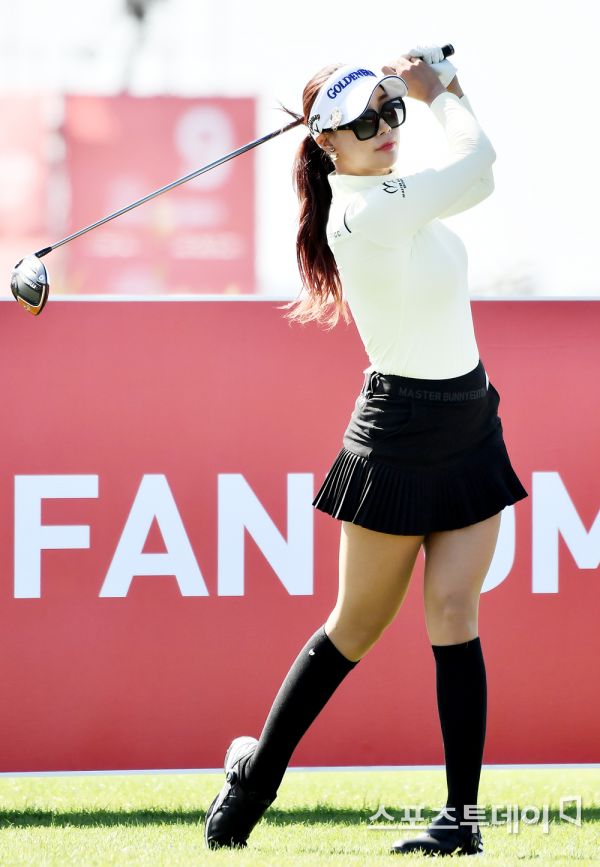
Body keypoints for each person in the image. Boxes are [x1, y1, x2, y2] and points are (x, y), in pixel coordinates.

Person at [204, 45, 528, 857]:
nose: (385, 128)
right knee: (355, 626)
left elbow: (473, 178)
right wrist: (441, 89)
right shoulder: (362, 213)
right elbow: (479, 166)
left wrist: (438, 90)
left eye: (391, 111)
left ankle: (459, 820)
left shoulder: (396, 198)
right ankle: (254, 781)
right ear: (326, 142)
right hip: (400, 434)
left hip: (469, 420)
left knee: (455, 614)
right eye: (363, 122)